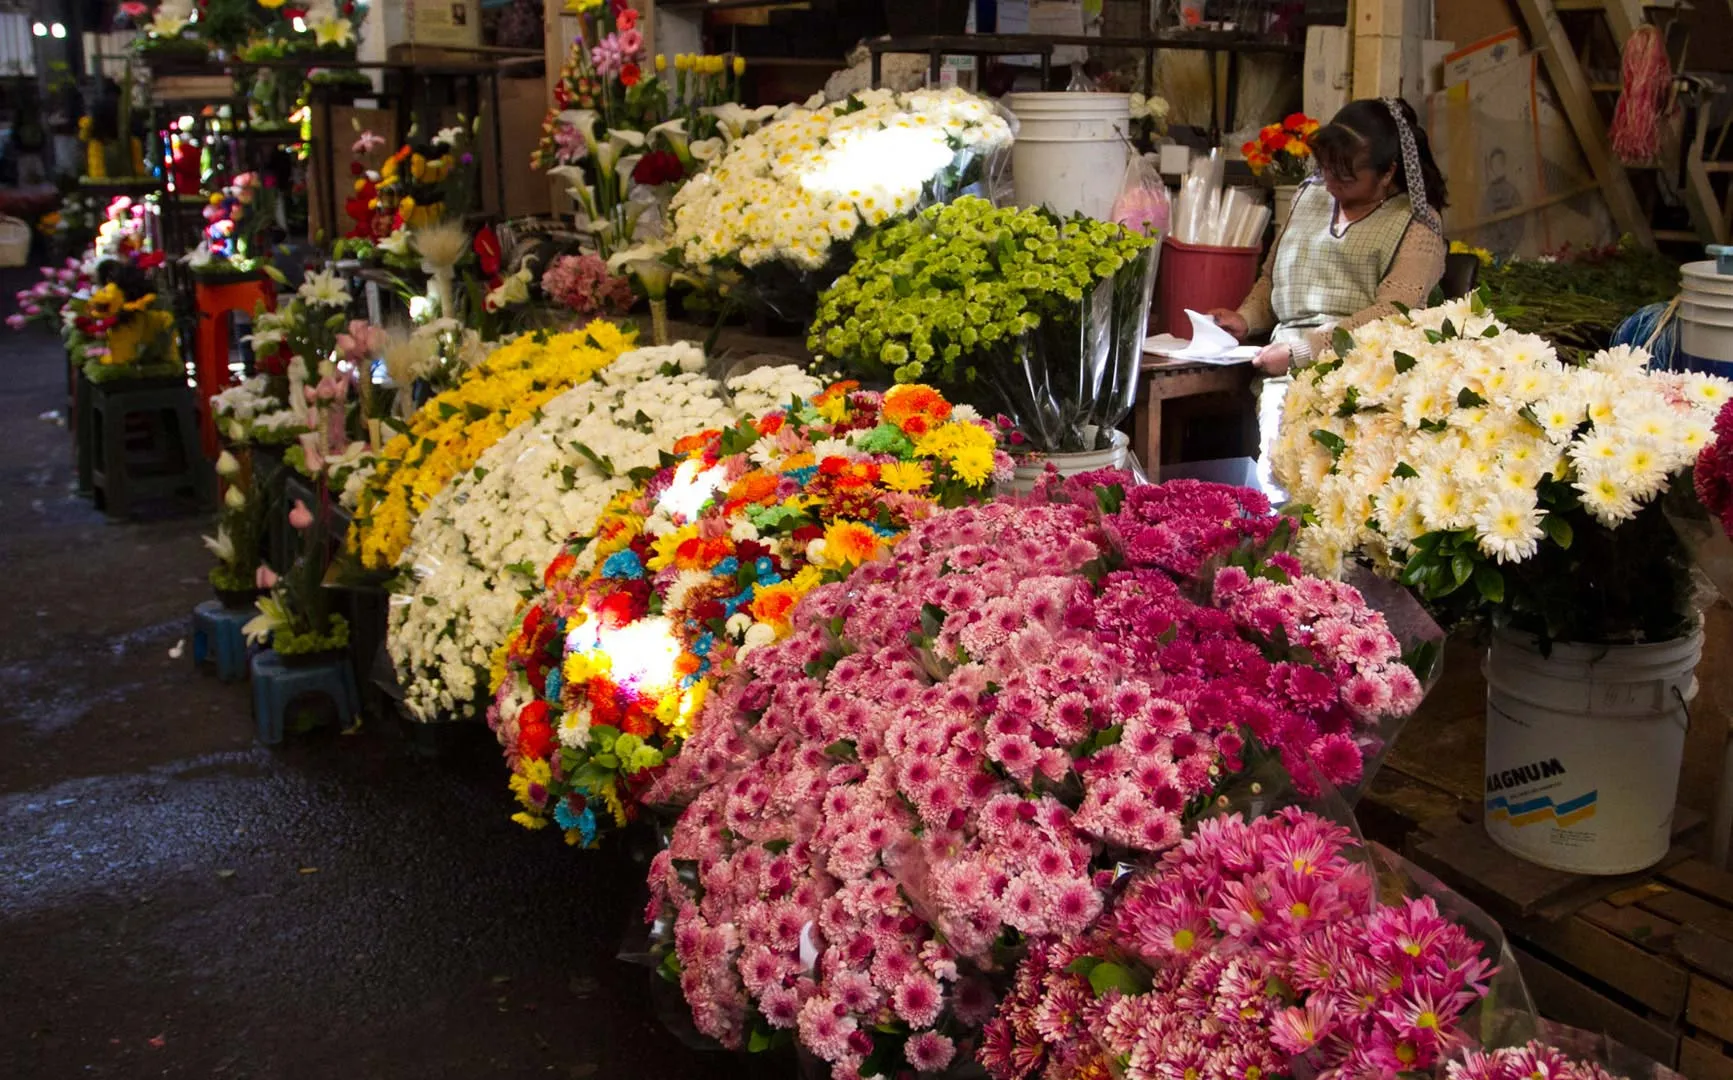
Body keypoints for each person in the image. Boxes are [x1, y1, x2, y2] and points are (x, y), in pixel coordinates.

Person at [1208, 97, 1448, 482]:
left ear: (1387, 172)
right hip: (1283, 368)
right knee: (1278, 475)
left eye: (1346, 177)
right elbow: (1273, 278)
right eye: (1326, 171)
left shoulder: (1417, 224)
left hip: (1360, 377)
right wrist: (1245, 318)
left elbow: (1393, 314)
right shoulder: (1309, 198)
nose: (1331, 184)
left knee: (1317, 481)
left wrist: (1304, 352)